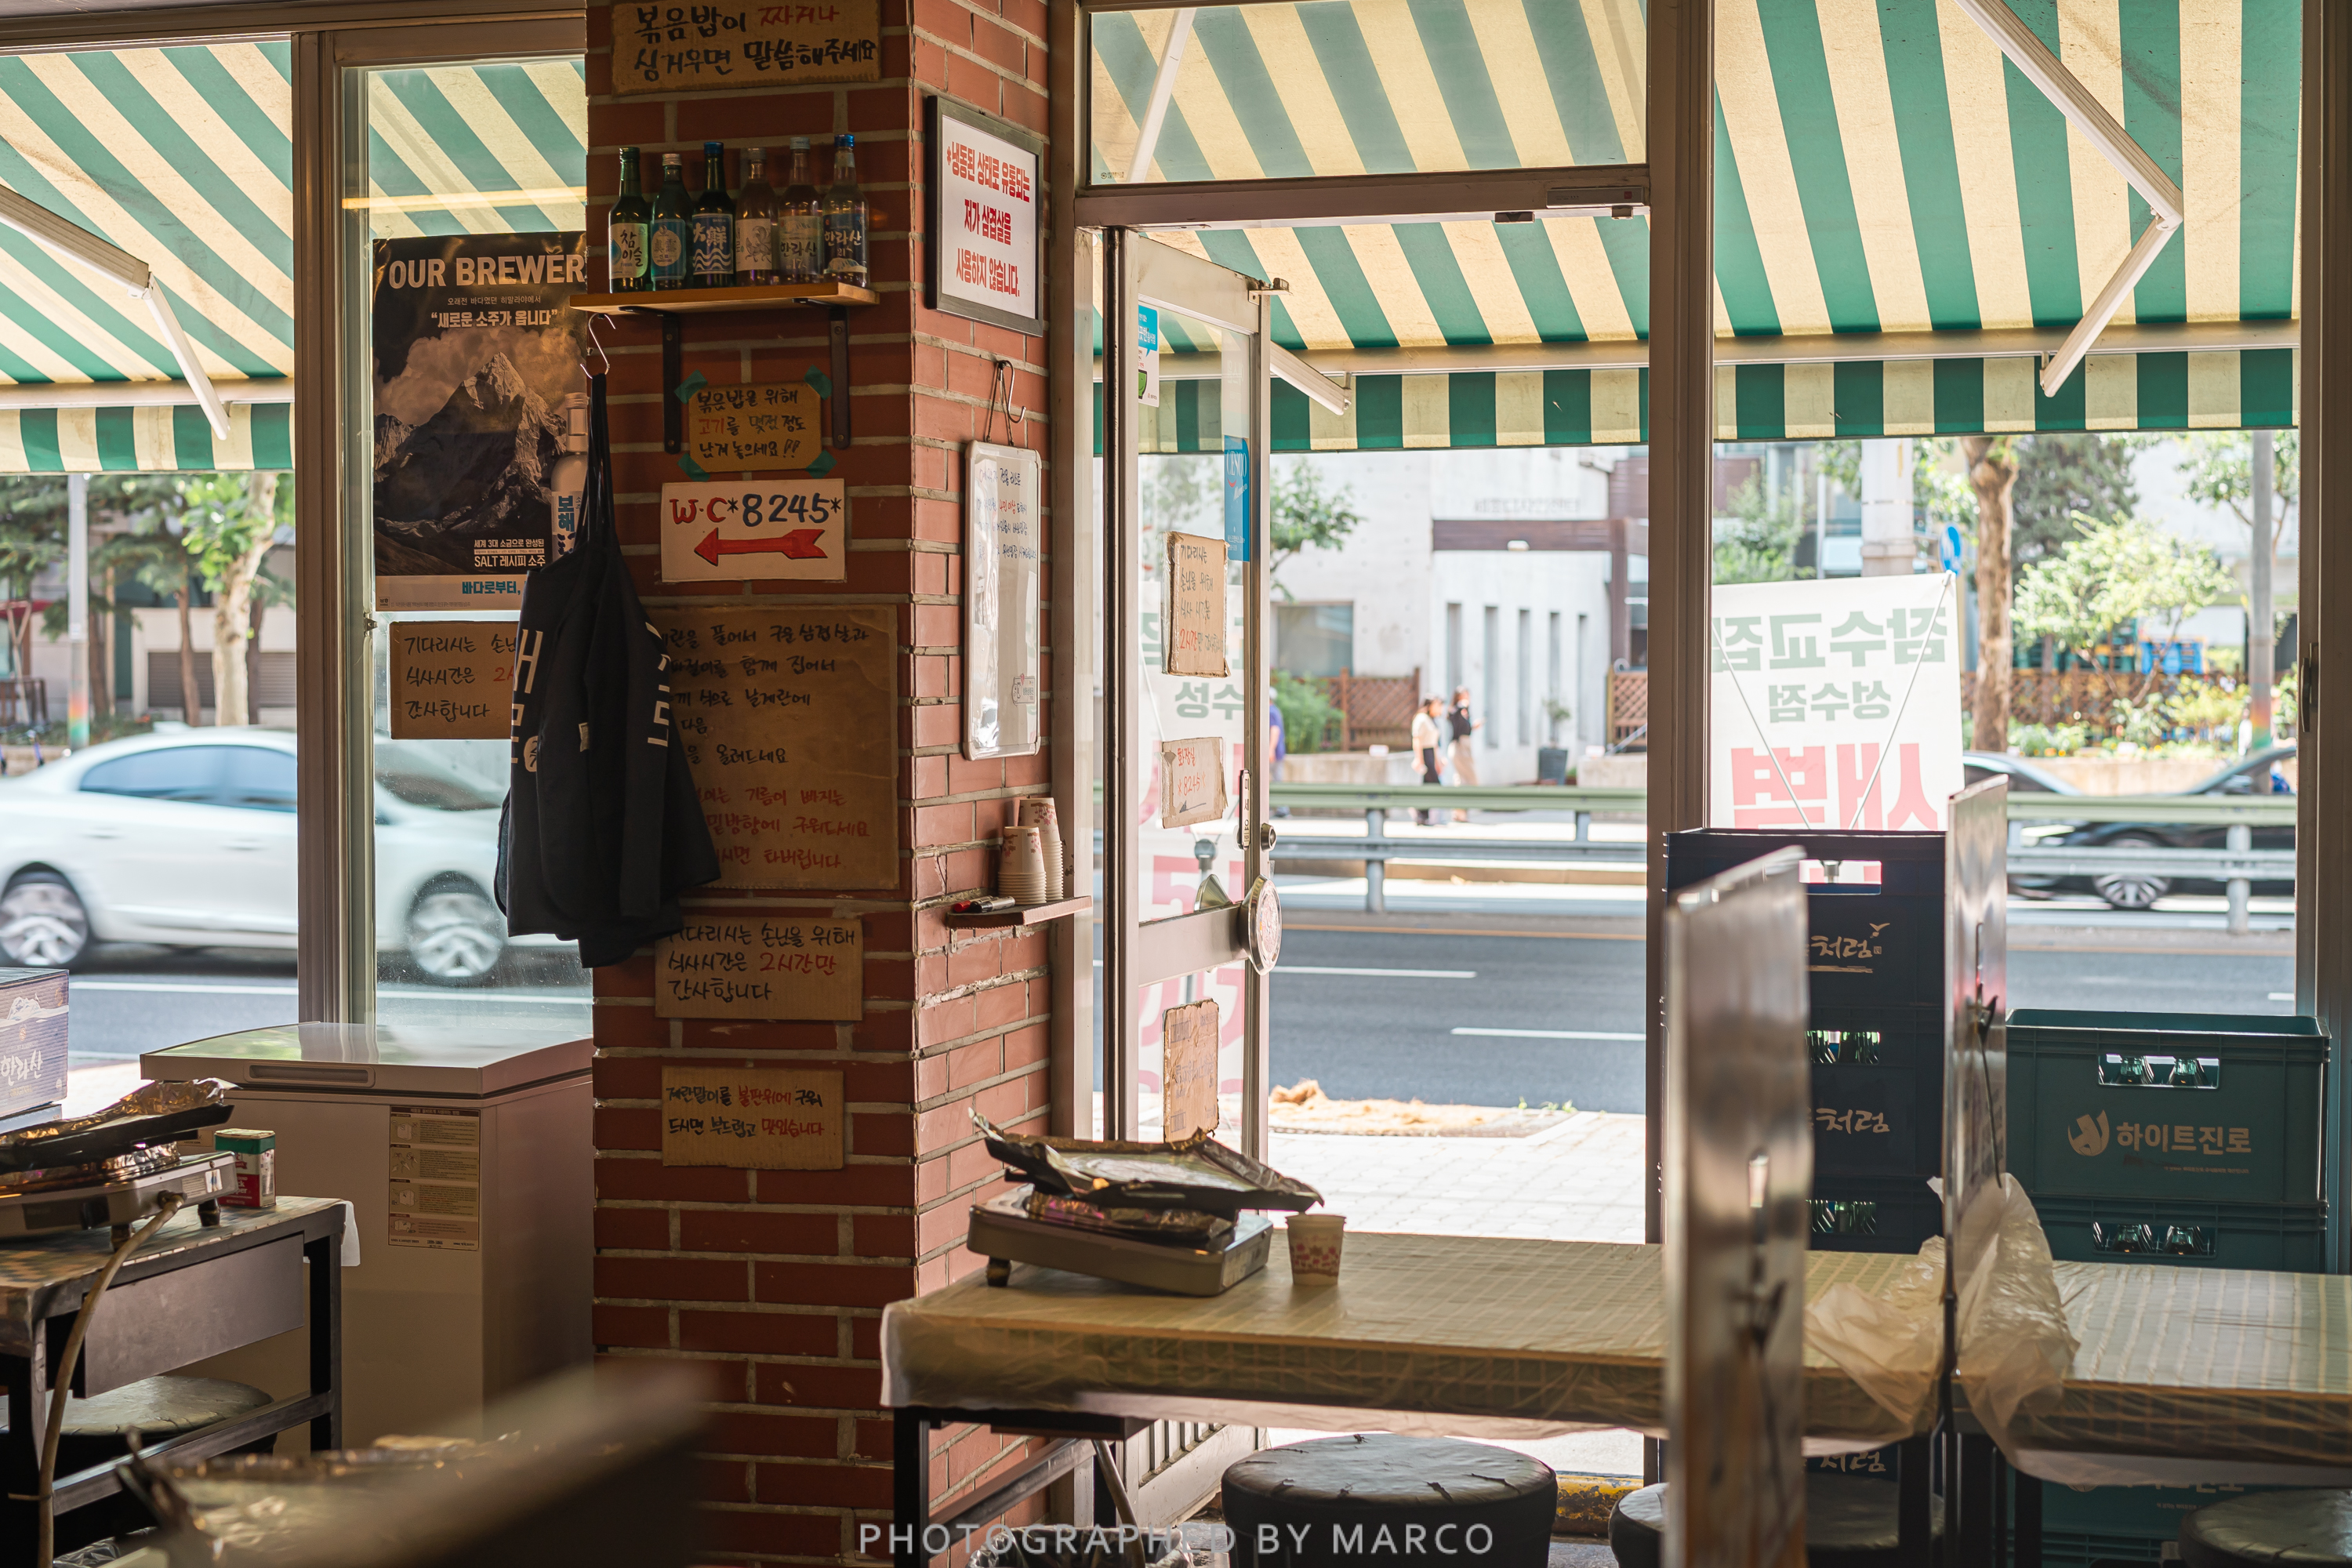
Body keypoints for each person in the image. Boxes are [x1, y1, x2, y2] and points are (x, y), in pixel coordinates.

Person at [1446, 686, 1481, 822]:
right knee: (1468, 780)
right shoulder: (1456, 711)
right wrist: (1461, 707)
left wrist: (1472, 727)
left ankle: (1459, 812)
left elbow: (1464, 729)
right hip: (1459, 747)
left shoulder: (1465, 712)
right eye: (1463, 696)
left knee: (1462, 780)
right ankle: (1459, 812)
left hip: (1466, 747)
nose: (1467, 699)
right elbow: (1452, 718)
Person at [1410, 696, 1444, 826]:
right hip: (1424, 754)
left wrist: (1438, 762)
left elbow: (1435, 744)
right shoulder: (1421, 718)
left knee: (1428, 786)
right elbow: (1417, 739)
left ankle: (1422, 815)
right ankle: (1419, 811)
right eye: (1437, 705)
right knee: (1434, 785)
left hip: (1431, 753)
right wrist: (1419, 759)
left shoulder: (1432, 720)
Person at [1267, 686, 1289, 817]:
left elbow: (1275, 730)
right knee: (1277, 779)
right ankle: (1282, 808)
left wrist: (1270, 750)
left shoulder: (1270, 711)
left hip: (1273, 752)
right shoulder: (1275, 710)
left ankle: (1280, 808)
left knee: (1270, 780)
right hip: (1278, 751)